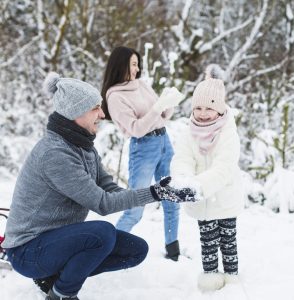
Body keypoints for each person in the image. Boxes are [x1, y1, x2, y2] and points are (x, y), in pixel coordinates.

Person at [1, 72, 196, 300]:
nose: (103, 114)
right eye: (95, 108)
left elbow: (109, 189)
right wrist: (154, 193)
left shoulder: (83, 147)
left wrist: (161, 191)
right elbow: (102, 203)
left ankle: (55, 278)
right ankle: (62, 293)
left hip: (55, 241)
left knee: (135, 250)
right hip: (28, 251)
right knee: (101, 234)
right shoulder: (55, 154)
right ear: (75, 112)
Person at [101, 46, 184, 261]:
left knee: (172, 197)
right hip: (143, 148)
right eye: (133, 64)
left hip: (164, 141)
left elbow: (162, 115)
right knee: (135, 207)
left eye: (138, 64)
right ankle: (109, 251)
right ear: (121, 66)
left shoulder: (142, 85)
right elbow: (136, 129)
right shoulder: (115, 96)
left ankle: (173, 251)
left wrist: (169, 102)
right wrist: (157, 109)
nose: (137, 69)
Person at [170, 64, 244, 291]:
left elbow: (224, 167)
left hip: (225, 196)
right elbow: (182, 157)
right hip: (201, 201)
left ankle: (231, 276)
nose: (202, 113)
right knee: (208, 240)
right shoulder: (189, 131)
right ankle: (210, 275)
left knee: (227, 239)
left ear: (220, 109)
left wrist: (198, 185)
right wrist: (184, 179)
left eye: (209, 108)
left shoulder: (227, 132)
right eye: (198, 108)